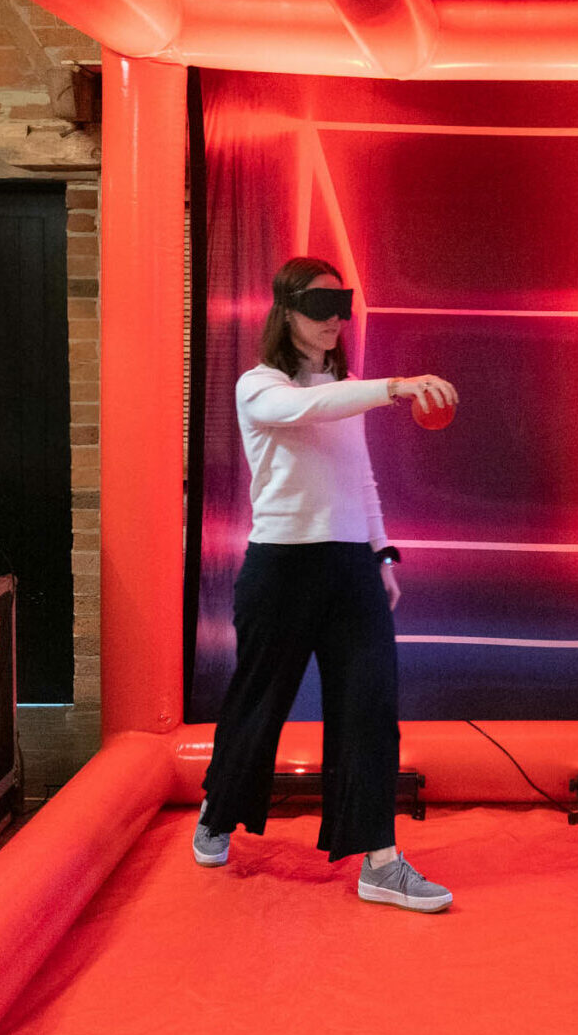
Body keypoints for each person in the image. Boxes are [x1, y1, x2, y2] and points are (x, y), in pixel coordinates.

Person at [194, 255, 459, 912]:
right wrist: (394, 385)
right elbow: (305, 406)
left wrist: (381, 554)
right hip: (281, 569)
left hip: (349, 571)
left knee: (371, 708)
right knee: (258, 704)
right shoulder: (258, 386)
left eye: (341, 303)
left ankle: (380, 860)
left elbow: (359, 478)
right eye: (319, 305)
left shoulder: (346, 391)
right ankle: (217, 812)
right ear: (286, 312)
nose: (334, 318)